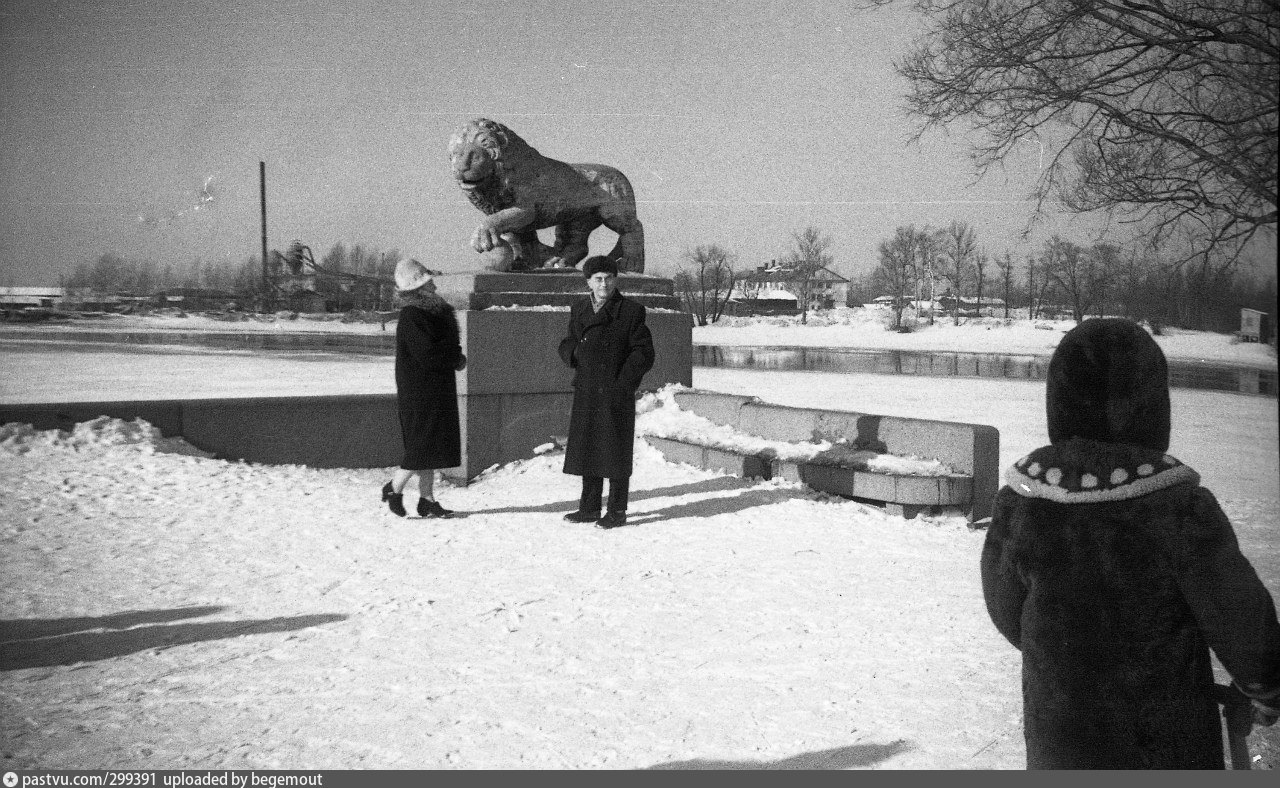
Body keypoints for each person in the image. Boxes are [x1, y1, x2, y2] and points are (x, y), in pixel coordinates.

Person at [981, 317, 1280, 769]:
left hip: (1061, 732)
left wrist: (1065, 650)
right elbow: (1240, 617)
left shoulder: (1022, 502)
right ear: (1154, 404)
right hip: (1164, 738)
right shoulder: (1179, 506)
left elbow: (1005, 609)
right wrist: (1265, 686)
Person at [557, 256, 655, 529]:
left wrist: (623, 383)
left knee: (615, 452)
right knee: (589, 449)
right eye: (598, 278)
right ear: (588, 281)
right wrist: (575, 353)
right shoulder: (579, 309)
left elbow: (643, 352)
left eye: (609, 277)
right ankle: (588, 508)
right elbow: (568, 341)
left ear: (616, 279)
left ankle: (617, 510)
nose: (604, 283)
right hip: (587, 389)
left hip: (615, 391)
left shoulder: (631, 311)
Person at [381, 258, 467, 519]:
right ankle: (394, 487)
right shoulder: (413, 316)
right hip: (420, 392)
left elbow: (442, 346)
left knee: (432, 446)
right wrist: (454, 358)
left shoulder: (433, 312)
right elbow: (427, 353)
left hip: (435, 388)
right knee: (422, 445)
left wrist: (455, 355)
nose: (433, 284)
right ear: (416, 288)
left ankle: (427, 500)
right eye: (427, 281)